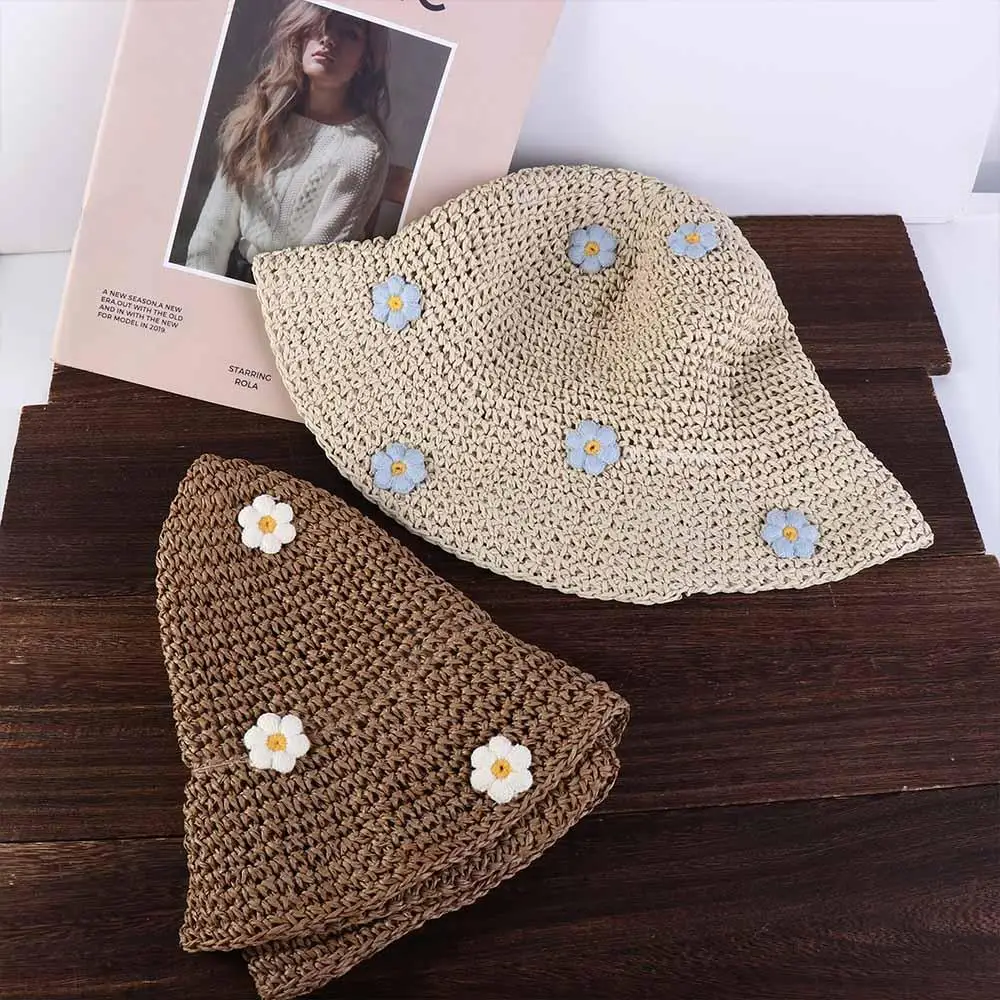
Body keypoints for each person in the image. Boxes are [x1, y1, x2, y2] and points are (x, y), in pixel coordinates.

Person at [186, 1, 390, 281]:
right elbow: (211, 235)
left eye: (349, 33)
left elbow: (313, 268)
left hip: (290, 295)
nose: (328, 38)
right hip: (227, 276)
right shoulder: (257, 118)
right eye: (319, 25)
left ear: (364, 61)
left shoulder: (365, 151)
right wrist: (199, 290)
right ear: (300, 34)